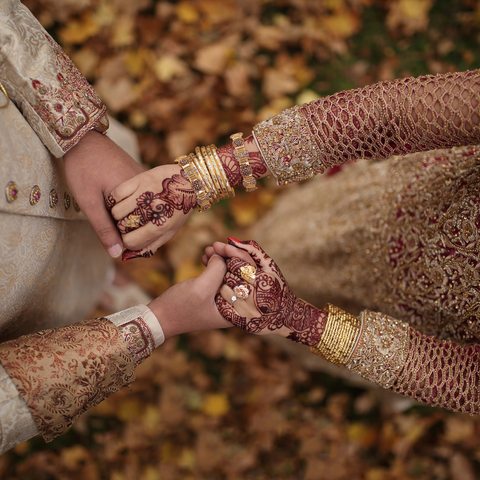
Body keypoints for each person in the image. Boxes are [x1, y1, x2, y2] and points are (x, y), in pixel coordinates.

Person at [113, 69, 480, 414]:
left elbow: (462, 378)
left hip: (418, 324)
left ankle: (376, 381)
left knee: (368, 349)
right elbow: (395, 115)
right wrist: (210, 174)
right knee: (292, 246)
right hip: (385, 209)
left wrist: (297, 319)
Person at [0, 0, 229, 454]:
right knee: (54, 298)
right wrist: (155, 323)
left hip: (34, 144)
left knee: (96, 244)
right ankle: (94, 292)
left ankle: (102, 275)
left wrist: (78, 134)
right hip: (14, 293)